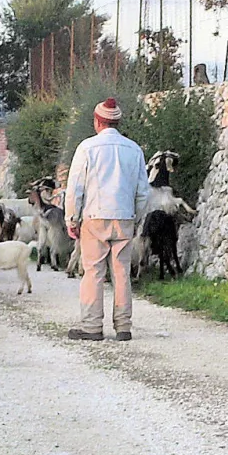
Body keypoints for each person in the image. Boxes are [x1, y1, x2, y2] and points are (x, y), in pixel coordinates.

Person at [64, 98, 150, 341]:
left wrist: (72, 219)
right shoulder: (134, 149)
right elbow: (143, 191)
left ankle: (92, 326)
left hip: (95, 217)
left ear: (97, 121)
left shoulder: (87, 148)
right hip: (124, 217)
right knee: (122, 272)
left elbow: (75, 188)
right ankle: (123, 327)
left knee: (93, 271)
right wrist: (135, 216)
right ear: (118, 121)